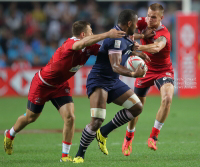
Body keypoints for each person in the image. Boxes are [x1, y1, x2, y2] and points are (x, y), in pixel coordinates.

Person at [3, 20, 126, 162]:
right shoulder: (70, 44)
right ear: (83, 34)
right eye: (90, 30)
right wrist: (107, 34)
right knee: (31, 117)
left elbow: (107, 49)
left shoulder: (88, 46)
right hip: (42, 84)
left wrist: (131, 43)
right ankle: (10, 134)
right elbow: (81, 44)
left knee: (70, 117)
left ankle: (65, 156)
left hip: (60, 85)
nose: (92, 33)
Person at [73, 9, 150, 163]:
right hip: (99, 80)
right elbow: (115, 65)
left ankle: (104, 133)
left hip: (113, 81)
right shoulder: (115, 39)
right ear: (129, 23)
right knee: (97, 120)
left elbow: (127, 48)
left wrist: (136, 53)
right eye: (134, 23)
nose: (136, 26)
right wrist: (134, 74)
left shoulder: (125, 35)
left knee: (137, 107)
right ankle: (79, 154)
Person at [122, 3, 174, 156]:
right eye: (148, 15)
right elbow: (125, 31)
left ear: (161, 18)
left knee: (167, 99)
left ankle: (153, 137)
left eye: (153, 17)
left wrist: (137, 47)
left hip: (163, 70)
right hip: (145, 69)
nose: (149, 19)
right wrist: (142, 36)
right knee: (137, 107)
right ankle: (129, 137)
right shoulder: (142, 22)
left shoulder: (164, 34)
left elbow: (157, 47)